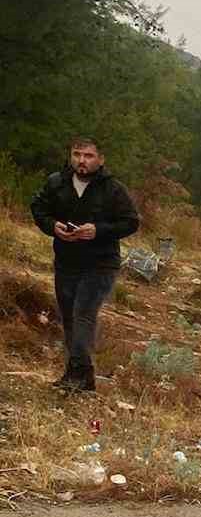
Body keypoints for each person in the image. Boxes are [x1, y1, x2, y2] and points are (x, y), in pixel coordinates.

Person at [30, 136, 139, 394]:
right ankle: (80, 375)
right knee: (68, 317)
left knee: (83, 314)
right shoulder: (56, 182)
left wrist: (98, 230)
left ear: (100, 160)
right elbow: (38, 208)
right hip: (67, 260)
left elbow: (131, 221)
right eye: (77, 154)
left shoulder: (113, 189)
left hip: (100, 264)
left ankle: (78, 375)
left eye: (88, 156)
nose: (82, 160)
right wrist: (52, 226)